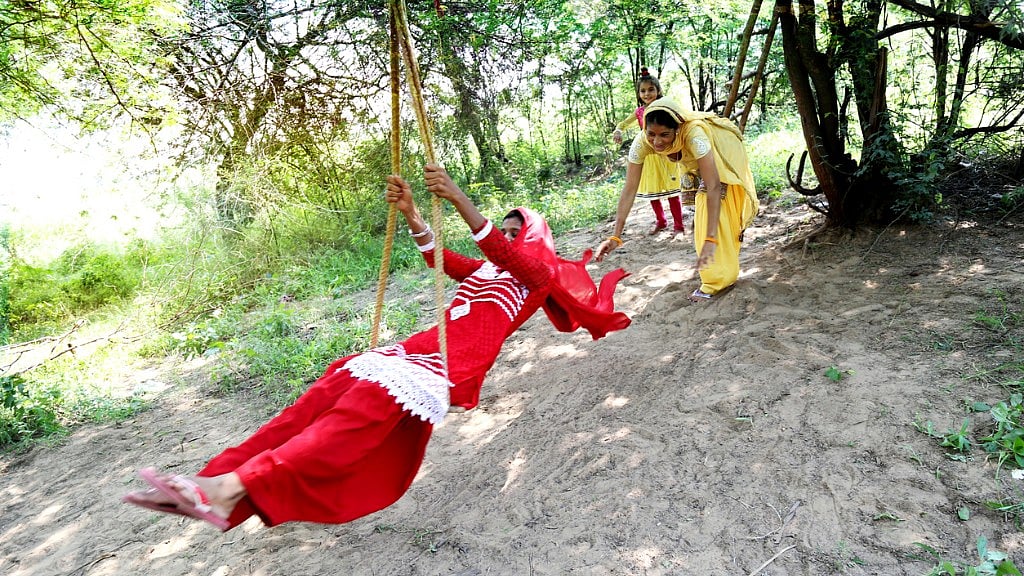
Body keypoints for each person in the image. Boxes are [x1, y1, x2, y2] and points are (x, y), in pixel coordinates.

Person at [121, 164, 632, 531]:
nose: (507, 234)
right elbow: (438, 258)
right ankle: (210, 480)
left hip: (451, 362)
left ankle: (231, 489)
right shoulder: (486, 269)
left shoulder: (535, 277)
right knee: (321, 398)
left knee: (352, 421)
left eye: (518, 230)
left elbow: (495, 249)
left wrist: (458, 198)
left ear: (535, 239)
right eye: (506, 227)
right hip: (417, 349)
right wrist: (412, 213)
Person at [596, 97, 758, 302]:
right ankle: (723, 270)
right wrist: (615, 236)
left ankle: (715, 282)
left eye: (665, 134)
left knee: (709, 214)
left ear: (678, 130)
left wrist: (710, 238)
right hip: (694, 164)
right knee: (705, 212)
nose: (657, 141)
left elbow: (714, 185)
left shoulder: (694, 135)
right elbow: (629, 189)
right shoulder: (641, 142)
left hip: (722, 153)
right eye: (651, 134)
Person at [611, 67, 690, 235]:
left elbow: (681, 119)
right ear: (639, 93)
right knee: (653, 191)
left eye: (651, 90)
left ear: (658, 90)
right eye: (643, 91)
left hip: (667, 153)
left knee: (672, 189)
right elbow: (623, 124)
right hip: (648, 155)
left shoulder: (665, 107)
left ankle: (678, 225)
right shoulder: (639, 111)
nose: (647, 94)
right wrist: (618, 131)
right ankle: (661, 221)